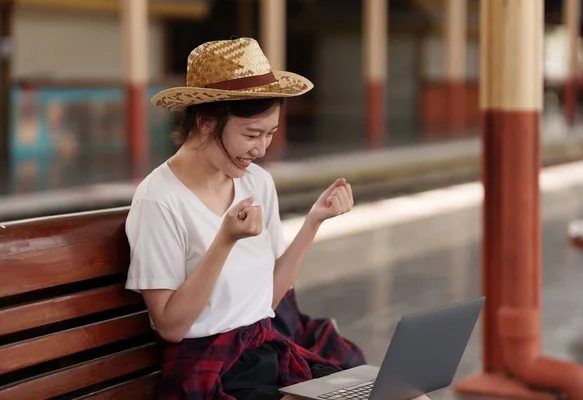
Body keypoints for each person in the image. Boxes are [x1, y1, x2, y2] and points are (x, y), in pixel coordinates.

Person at [125, 37, 430, 400]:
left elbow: (267, 301)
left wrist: (313, 223)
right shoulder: (159, 200)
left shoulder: (256, 182)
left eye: (270, 134)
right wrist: (224, 242)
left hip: (265, 353)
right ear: (206, 122)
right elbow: (171, 326)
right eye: (251, 134)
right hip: (209, 372)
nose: (262, 148)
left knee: (410, 396)